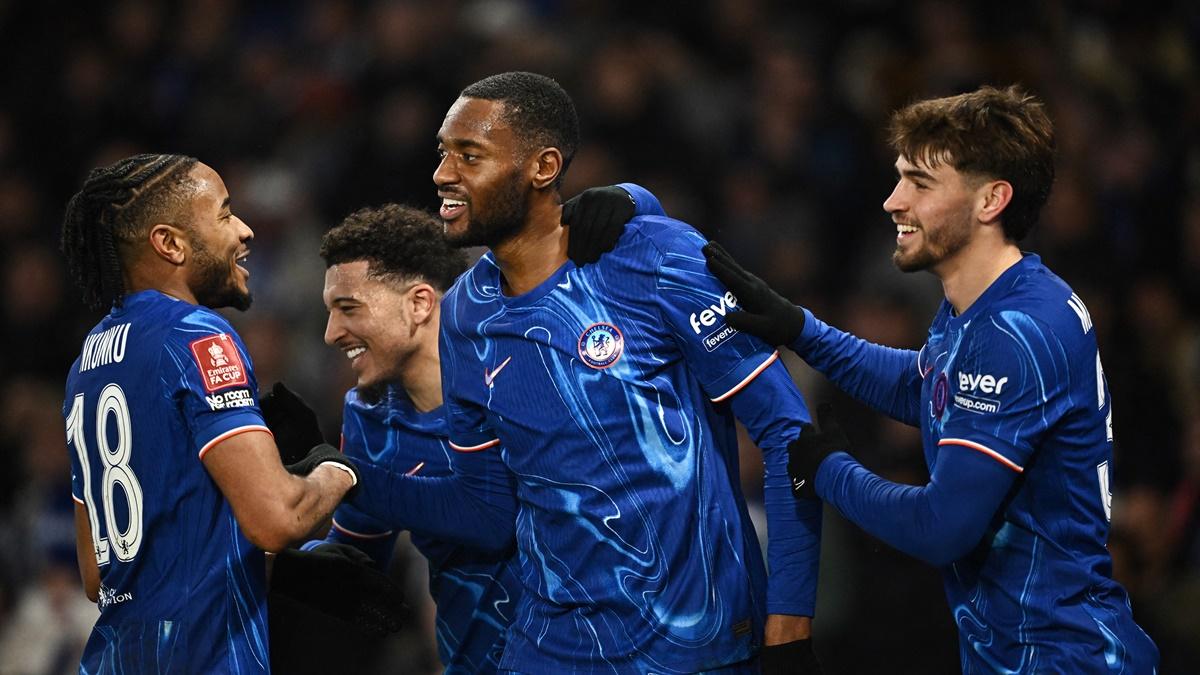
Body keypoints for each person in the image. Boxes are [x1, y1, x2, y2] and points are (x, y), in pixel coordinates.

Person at [349, 71, 824, 673]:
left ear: (543, 167)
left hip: (694, 644)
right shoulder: (465, 313)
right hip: (549, 650)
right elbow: (487, 512)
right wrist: (350, 479)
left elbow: (788, 436)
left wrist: (789, 623)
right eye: (443, 154)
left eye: (470, 156)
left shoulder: (655, 255)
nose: (443, 174)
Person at [702, 85, 1160, 672]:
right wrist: (800, 329)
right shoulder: (982, 308)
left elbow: (941, 527)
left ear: (991, 200)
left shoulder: (1017, 332)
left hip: (1061, 659)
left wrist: (826, 471)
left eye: (920, 183)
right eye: (899, 178)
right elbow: (930, 388)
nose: (894, 201)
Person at [58, 153, 366, 672]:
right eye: (224, 214)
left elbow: (97, 574)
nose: (244, 231)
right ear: (170, 243)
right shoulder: (194, 333)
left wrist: (264, 567)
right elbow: (278, 517)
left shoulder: (85, 365)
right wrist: (335, 469)